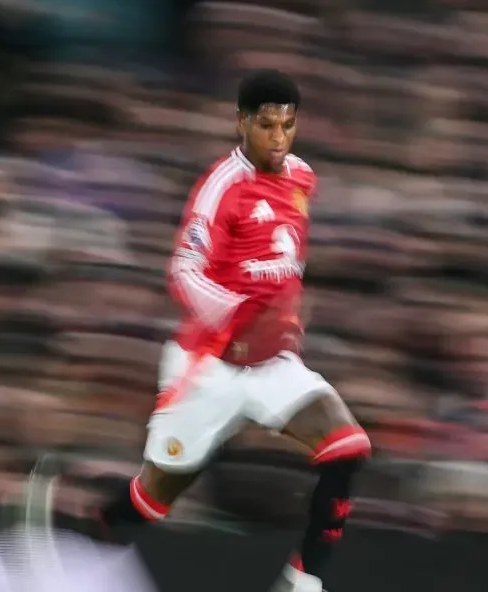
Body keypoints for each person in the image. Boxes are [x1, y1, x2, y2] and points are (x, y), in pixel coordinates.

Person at [80, 70, 373, 592]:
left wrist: (286, 312)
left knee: (347, 448)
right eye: (266, 125)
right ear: (241, 122)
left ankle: (303, 585)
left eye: (288, 125)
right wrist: (235, 309)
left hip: (273, 364)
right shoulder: (222, 188)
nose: (278, 138)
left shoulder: (301, 177)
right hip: (211, 366)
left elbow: (284, 258)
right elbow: (184, 270)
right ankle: (91, 538)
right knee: (153, 499)